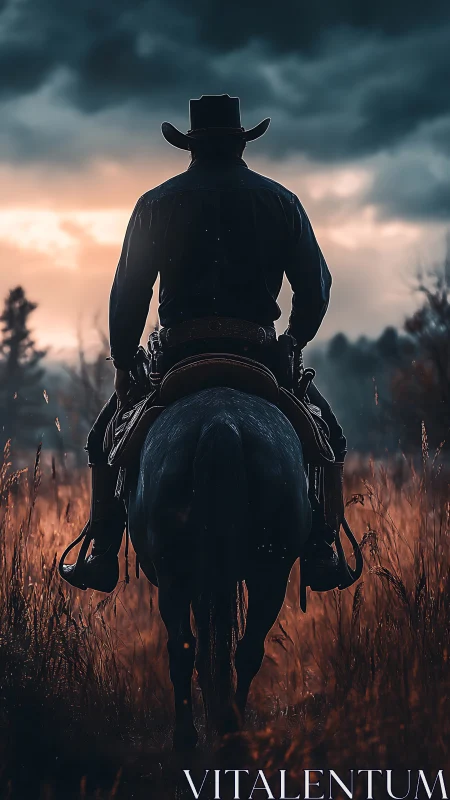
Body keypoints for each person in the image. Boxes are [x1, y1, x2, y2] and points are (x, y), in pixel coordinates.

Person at [61, 94, 346, 594]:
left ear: (190, 147)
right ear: (240, 143)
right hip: (258, 354)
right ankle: (322, 549)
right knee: (328, 440)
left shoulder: (155, 203)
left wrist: (126, 363)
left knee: (103, 440)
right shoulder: (281, 201)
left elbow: (129, 291)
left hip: (177, 356)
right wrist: (294, 340)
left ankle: (102, 550)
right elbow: (316, 286)